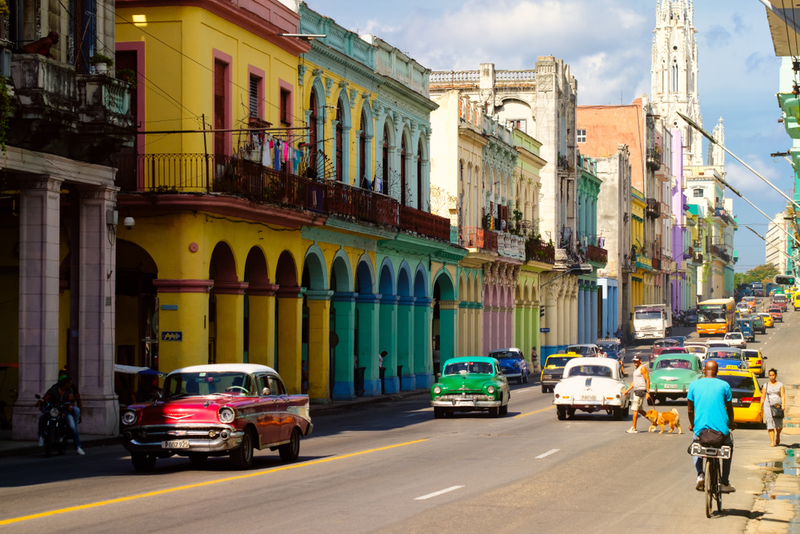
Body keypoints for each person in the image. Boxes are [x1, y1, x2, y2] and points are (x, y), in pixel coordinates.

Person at [688, 360, 736, 493]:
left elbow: (690, 410)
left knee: (695, 445)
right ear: (717, 372)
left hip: (701, 430)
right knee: (729, 448)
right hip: (721, 432)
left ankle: (700, 474)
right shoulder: (724, 385)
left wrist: (692, 425)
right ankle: (725, 482)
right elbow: (730, 409)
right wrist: (731, 423)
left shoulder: (693, 385)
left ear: (704, 370)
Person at [36, 374, 84, 455]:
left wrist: (69, 405)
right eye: (69, 383)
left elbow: (71, 399)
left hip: (64, 411)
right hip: (53, 409)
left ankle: (77, 446)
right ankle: (41, 436)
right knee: (42, 416)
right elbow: (46, 397)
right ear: (65, 383)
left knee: (72, 427)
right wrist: (40, 401)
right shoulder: (54, 389)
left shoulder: (70, 390)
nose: (70, 384)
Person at [622, 355, 650, 433]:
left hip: (640, 391)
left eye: (636, 361)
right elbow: (634, 382)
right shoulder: (636, 369)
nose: (635, 362)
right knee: (640, 410)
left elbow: (647, 380)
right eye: (634, 361)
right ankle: (654, 421)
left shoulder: (642, 368)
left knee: (634, 409)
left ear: (640, 361)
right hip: (636, 390)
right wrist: (627, 390)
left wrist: (648, 392)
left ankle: (633, 428)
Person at [760, 368, 786, 447]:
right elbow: (763, 397)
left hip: (777, 407)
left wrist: (783, 404)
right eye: (770, 375)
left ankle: (778, 435)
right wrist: (760, 407)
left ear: (776, 375)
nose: (771, 377)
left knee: (779, 425)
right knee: (770, 423)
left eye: (773, 375)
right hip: (768, 406)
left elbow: (782, 395)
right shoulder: (765, 385)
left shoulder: (780, 385)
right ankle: (772, 441)